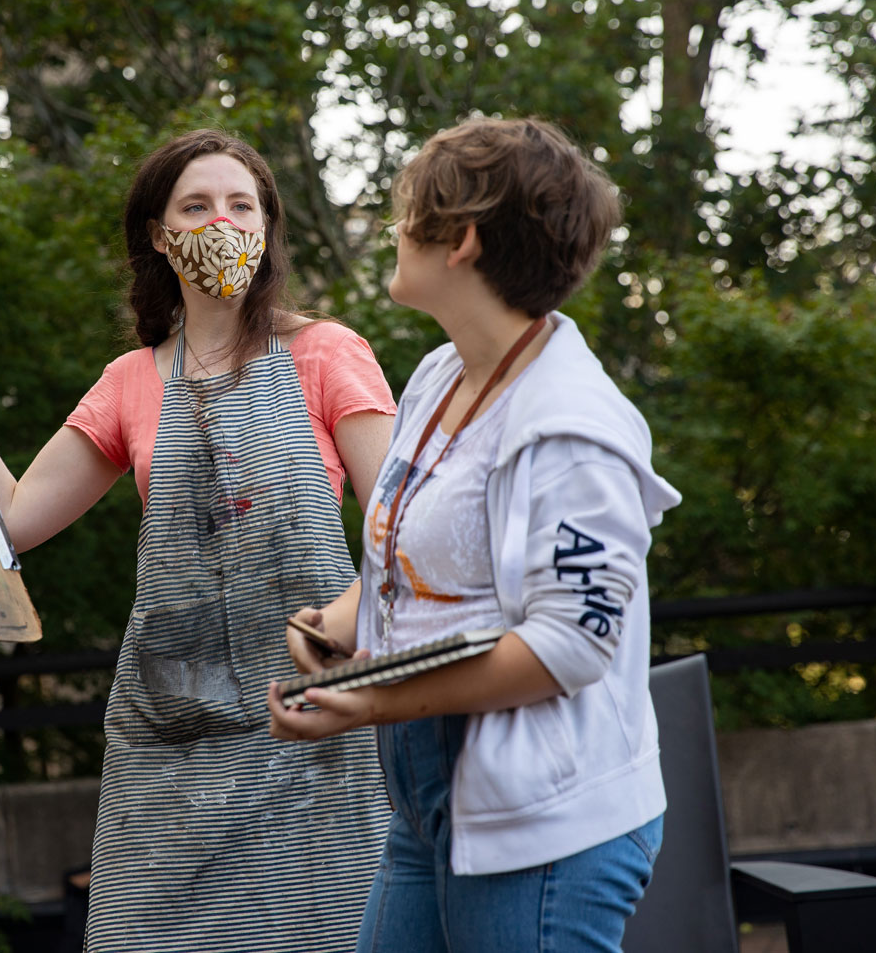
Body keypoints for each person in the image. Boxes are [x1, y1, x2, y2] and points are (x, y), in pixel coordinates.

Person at [0, 129, 395, 952]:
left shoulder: (325, 352)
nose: (222, 222)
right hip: (167, 753)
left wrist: (343, 640)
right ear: (158, 232)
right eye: (197, 206)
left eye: (241, 205)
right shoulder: (129, 380)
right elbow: (17, 517)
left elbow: (402, 531)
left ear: (267, 227)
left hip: (312, 732)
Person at [267, 117, 682, 952]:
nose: (393, 231)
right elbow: (412, 556)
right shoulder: (437, 374)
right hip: (425, 795)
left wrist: (369, 701)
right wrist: (341, 622)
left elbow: (571, 644)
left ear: (460, 240)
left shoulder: (575, 427)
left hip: (543, 827)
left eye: (407, 212)